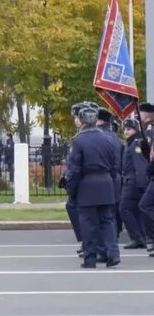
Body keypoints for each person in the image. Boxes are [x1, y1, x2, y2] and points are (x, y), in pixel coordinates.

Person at [65, 103, 121, 268]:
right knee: (108, 222)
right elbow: (115, 164)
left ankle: (90, 258)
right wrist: (109, 180)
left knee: (88, 223)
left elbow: (74, 169)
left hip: (87, 185)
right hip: (106, 183)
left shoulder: (79, 140)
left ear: (82, 120)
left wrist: (71, 189)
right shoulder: (108, 138)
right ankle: (113, 253)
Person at [117, 119, 148, 250]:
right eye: (124, 129)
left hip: (133, 182)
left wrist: (141, 184)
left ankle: (137, 237)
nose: (125, 131)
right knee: (136, 211)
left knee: (124, 209)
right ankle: (142, 237)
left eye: (129, 129)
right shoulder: (130, 143)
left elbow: (140, 165)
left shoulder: (135, 144)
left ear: (136, 129)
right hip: (131, 181)